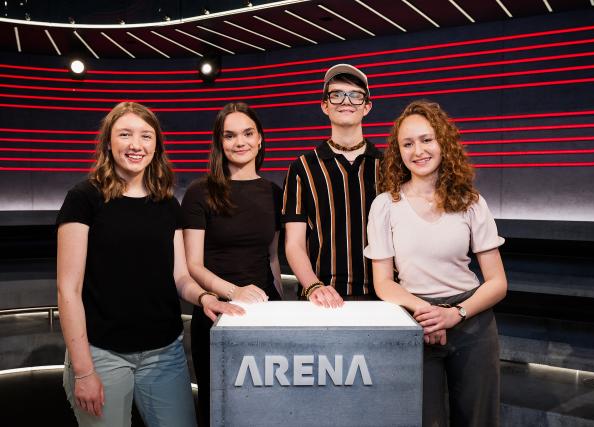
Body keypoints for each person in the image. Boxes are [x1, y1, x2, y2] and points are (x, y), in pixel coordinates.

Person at [56, 101, 244, 427]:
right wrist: (84, 371)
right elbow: (68, 289)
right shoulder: (83, 198)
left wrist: (204, 297)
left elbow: (180, 276)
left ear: (156, 145)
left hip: (164, 354)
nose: (136, 144)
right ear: (108, 143)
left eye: (146, 136)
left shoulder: (167, 203)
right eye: (125, 134)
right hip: (103, 353)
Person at [364, 100, 507, 427]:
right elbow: (383, 283)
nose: (418, 151)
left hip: (472, 322)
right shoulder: (385, 205)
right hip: (416, 321)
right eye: (407, 143)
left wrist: (454, 314)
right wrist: (428, 314)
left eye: (426, 139)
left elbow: (498, 282)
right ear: (398, 151)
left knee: (478, 420)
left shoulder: (472, 202)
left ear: (443, 142)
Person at [182, 102, 283, 425]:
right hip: (216, 314)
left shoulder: (274, 193)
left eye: (247, 133)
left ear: (260, 139)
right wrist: (233, 292)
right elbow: (193, 264)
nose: (240, 142)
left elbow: (272, 257)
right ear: (220, 143)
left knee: (266, 410)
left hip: (264, 314)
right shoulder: (200, 192)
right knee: (219, 412)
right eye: (230, 135)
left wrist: (281, 306)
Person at [282, 64, 382, 307]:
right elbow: (294, 243)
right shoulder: (302, 167)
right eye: (336, 94)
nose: (346, 101)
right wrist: (313, 286)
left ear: (367, 106)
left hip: (382, 295)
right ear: (325, 105)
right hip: (320, 297)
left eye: (355, 95)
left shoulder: (390, 166)